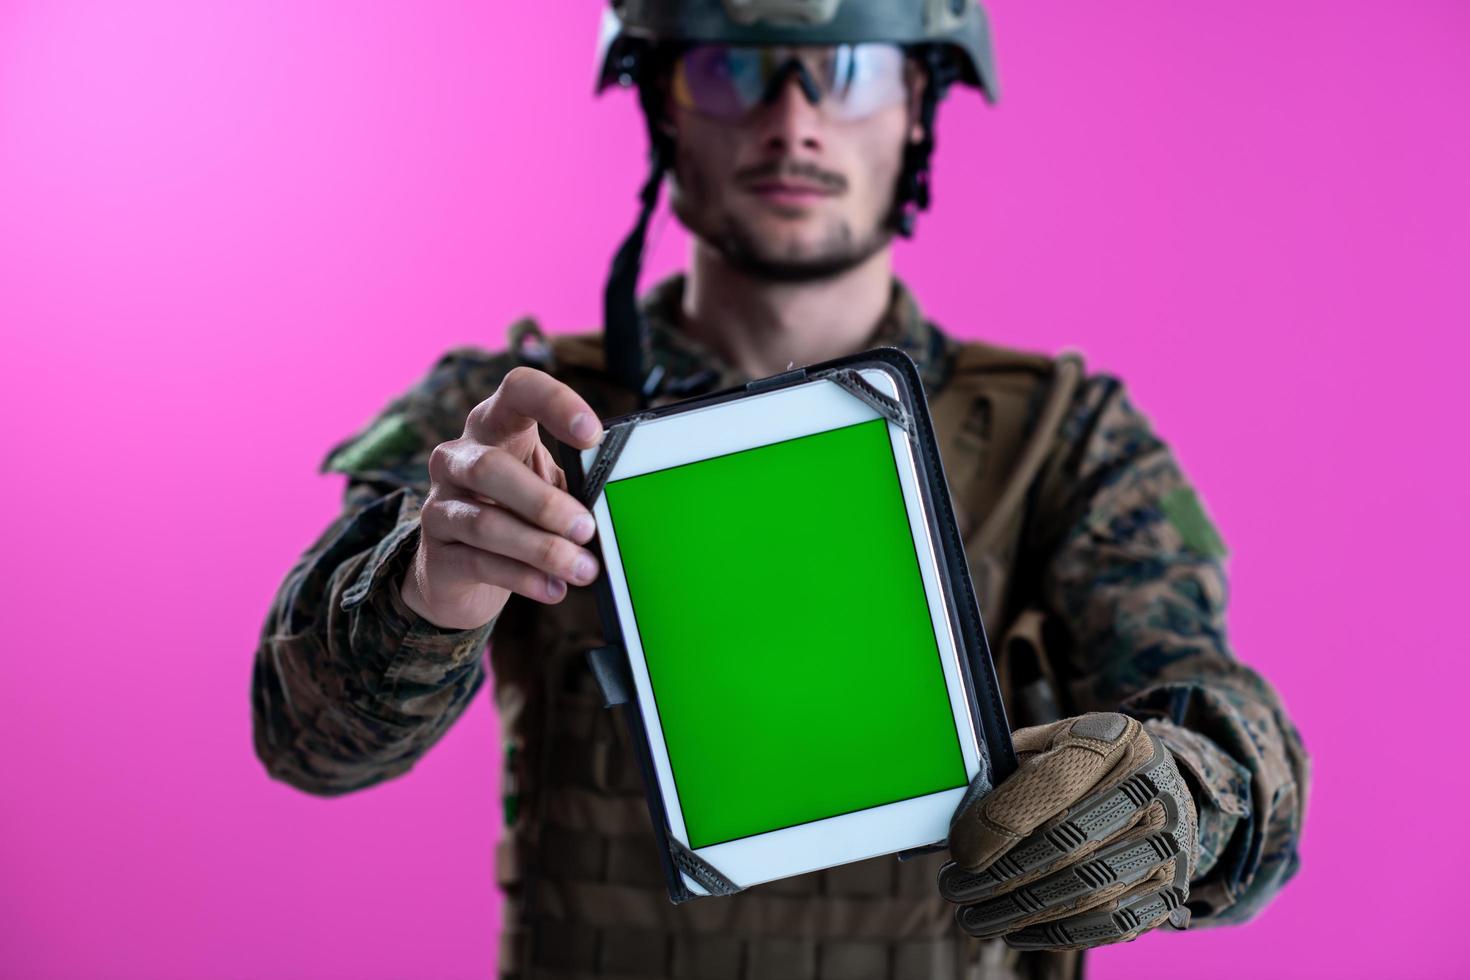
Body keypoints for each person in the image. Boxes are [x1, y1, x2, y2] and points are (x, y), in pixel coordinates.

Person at [251, 2, 1308, 977]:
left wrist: (1177, 790)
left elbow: (1230, 736)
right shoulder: (513, 422)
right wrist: (423, 587)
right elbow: (302, 738)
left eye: (849, 70)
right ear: (663, 104)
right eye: (732, 66)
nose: (793, 120)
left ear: (918, 112)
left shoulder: (1063, 439)